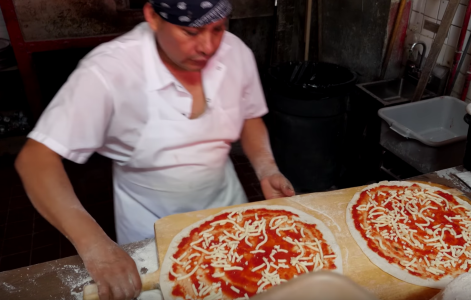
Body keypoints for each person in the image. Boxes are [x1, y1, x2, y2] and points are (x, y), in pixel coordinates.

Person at [15, 1, 295, 299]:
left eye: (218, 29)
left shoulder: (235, 52)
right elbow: (35, 159)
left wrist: (267, 168)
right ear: (152, 17)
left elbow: (249, 116)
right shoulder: (110, 70)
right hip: (150, 230)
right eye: (191, 32)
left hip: (226, 215)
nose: (209, 46)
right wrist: (95, 245)